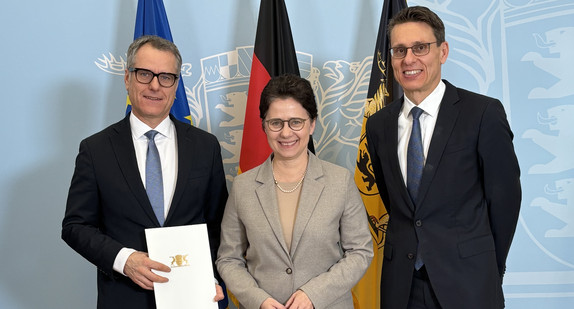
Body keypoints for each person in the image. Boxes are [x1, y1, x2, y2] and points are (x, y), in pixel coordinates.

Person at [365, 6, 522, 309]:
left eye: (420, 47)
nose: (409, 59)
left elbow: (505, 199)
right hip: (402, 285)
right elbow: (394, 199)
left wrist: (488, 264)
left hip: (469, 281)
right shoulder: (378, 124)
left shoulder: (482, 113)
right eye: (399, 50)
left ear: (443, 51)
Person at [61, 35, 228, 309]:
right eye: (144, 74)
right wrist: (124, 260)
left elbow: (220, 226)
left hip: (193, 298)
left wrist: (215, 277)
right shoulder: (96, 149)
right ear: (127, 78)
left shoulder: (205, 146)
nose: (155, 85)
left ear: (176, 85)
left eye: (166, 77)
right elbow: (75, 226)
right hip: (124, 298)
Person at [216, 74, 373, 309]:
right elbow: (228, 259)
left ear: (312, 124)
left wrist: (313, 294)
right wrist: (258, 300)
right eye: (276, 122)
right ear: (264, 126)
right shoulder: (243, 187)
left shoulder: (339, 181)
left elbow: (360, 251)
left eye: (296, 122)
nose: (286, 133)